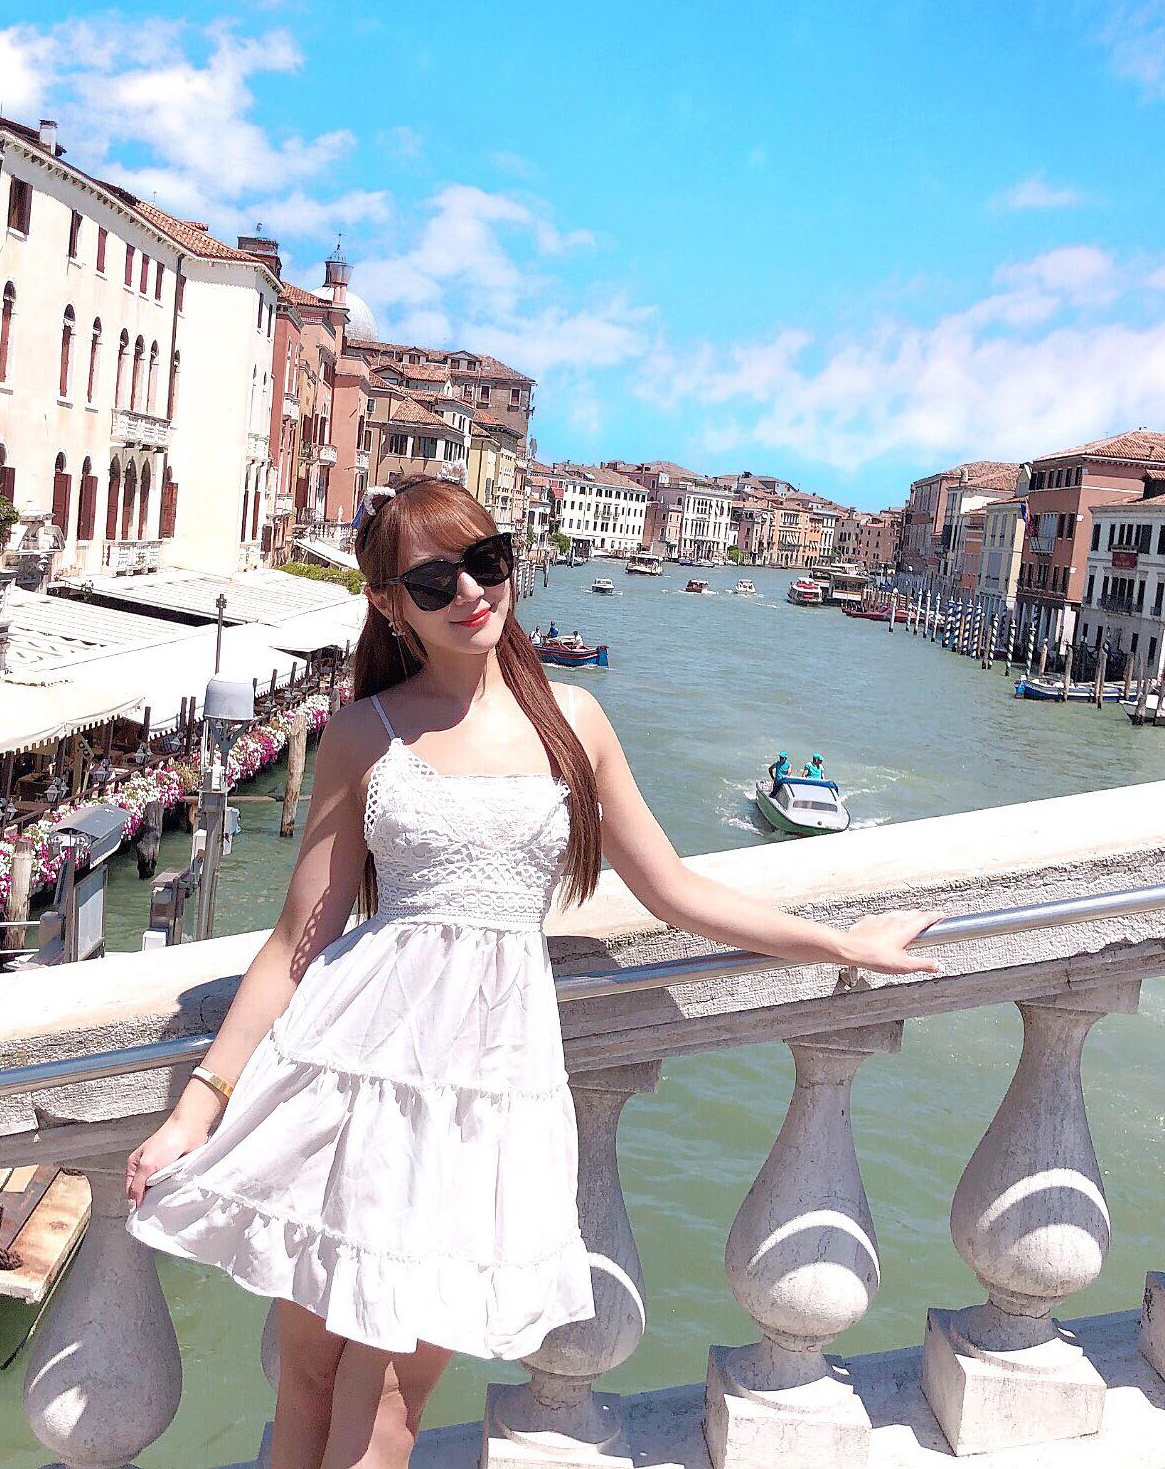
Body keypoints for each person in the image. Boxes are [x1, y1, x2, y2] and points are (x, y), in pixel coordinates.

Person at [124, 480, 939, 1469]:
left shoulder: (573, 720)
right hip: (349, 1074)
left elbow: (673, 890)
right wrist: (197, 1106)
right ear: (389, 604)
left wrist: (841, 944)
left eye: (486, 561)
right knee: (308, 1377)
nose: (471, 592)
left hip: (485, 1092)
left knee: (389, 1402)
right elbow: (299, 936)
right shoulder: (364, 732)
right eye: (435, 581)